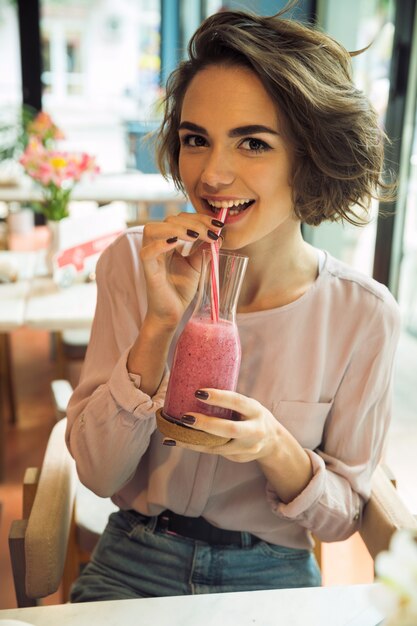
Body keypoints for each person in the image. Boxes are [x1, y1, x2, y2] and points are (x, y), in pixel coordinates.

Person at [66, 5, 401, 602]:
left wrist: (274, 446)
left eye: (252, 142)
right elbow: (97, 474)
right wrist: (158, 326)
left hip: (271, 574)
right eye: (196, 139)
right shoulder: (133, 266)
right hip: (133, 558)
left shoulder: (362, 315)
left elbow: (342, 516)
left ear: (311, 156)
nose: (212, 173)